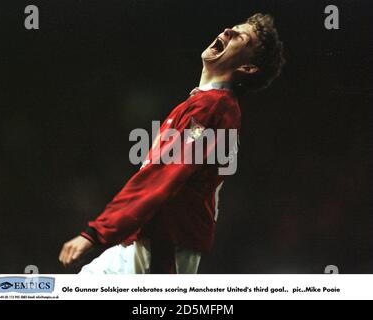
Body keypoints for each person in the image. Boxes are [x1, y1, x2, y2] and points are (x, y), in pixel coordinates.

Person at [58, 13, 285, 274]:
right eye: (233, 27)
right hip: (145, 239)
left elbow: (164, 175)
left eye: (241, 37)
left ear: (247, 68)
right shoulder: (204, 104)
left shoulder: (215, 107)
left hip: (164, 245)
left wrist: (97, 232)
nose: (228, 31)